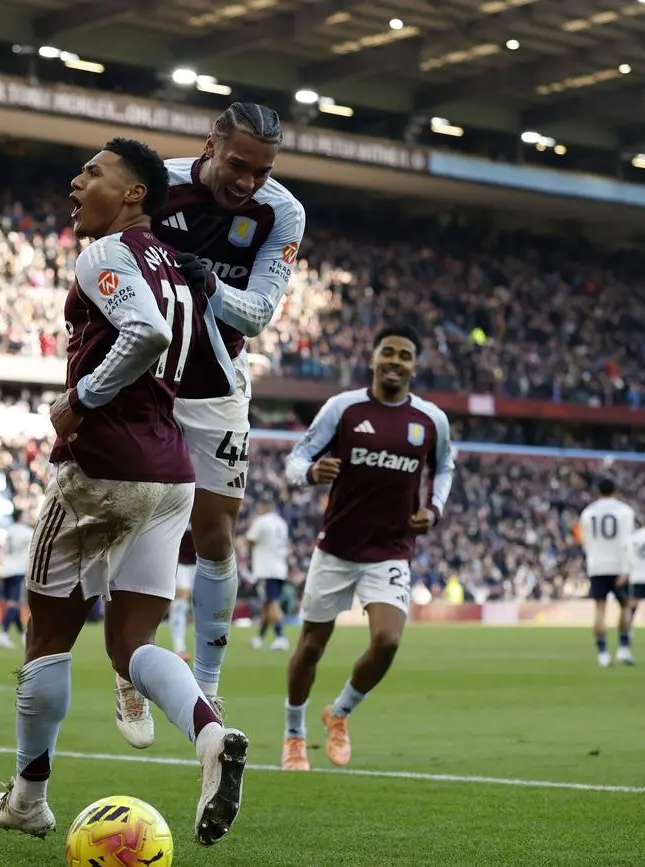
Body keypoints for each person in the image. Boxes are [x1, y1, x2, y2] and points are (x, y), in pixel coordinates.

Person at [0, 138, 248, 848]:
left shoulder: (107, 252)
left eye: (92, 172)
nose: (76, 182)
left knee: (47, 636)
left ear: (134, 194)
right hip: (170, 474)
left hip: (101, 466)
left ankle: (29, 798)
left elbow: (147, 332)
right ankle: (210, 735)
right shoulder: (175, 266)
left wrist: (82, 398)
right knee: (132, 640)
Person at [115, 101, 307, 744]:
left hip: (220, 379)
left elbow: (256, 314)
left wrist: (208, 287)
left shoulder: (281, 212)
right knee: (140, 521)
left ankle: (208, 683)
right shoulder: (155, 186)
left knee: (217, 535)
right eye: (237, 164)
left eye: (262, 169)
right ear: (211, 145)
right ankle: (130, 670)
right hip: (148, 378)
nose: (248, 181)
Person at [278, 324, 454, 771]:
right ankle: (294, 734)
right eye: (388, 352)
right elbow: (296, 457)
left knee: (388, 640)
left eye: (405, 355)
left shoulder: (431, 420)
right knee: (312, 645)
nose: (396, 361)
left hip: (391, 549)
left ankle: (339, 712)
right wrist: (310, 473)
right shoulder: (344, 408)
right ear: (373, 358)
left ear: (415, 365)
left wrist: (433, 509)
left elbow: (445, 469)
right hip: (336, 548)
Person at [579, 478, 637, 667]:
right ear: (615, 491)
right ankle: (623, 649)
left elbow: (586, 542)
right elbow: (627, 542)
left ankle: (603, 654)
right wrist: (626, 568)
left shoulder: (587, 513)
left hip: (597, 566)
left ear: (598, 492)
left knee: (599, 609)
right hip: (618, 564)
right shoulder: (625, 511)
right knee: (625, 606)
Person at [242, 497, 291, 651]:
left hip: (266, 569)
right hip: (280, 568)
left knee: (273, 602)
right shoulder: (281, 523)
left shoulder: (261, 521)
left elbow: (249, 540)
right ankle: (260, 637)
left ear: (263, 507)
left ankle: (280, 636)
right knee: (267, 604)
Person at [0, 509, 34, 649]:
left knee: (13, 605)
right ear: (20, 517)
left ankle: (23, 636)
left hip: (5, 570)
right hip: (17, 571)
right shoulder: (26, 532)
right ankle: (2, 634)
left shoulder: (9, 531)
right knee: (13, 605)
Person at [169, 531, 196, 660]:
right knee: (180, 603)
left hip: (202, 562)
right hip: (181, 563)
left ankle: (211, 647)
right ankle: (179, 648)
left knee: (202, 605)